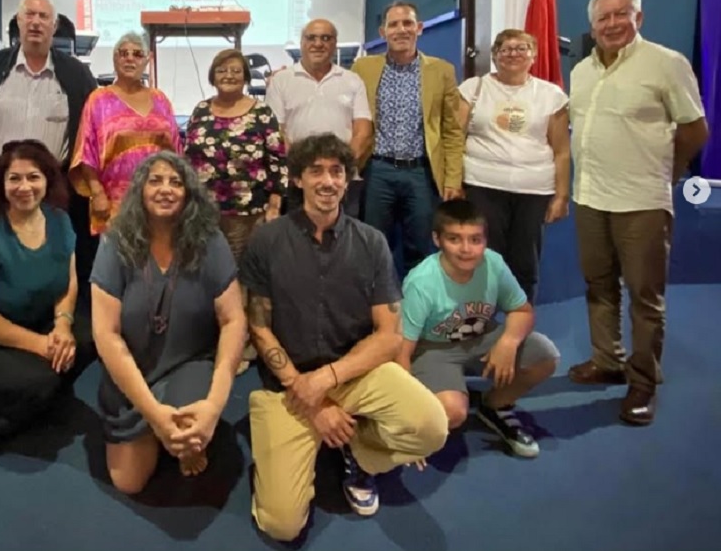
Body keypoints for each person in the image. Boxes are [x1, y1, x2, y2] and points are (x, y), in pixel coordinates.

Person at [241, 133, 448, 542]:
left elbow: (389, 336)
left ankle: (360, 452)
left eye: (336, 171)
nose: (327, 181)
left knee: (431, 428)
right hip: (287, 386)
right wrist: (308, 393)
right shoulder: (266, 240)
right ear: (297, 179)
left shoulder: (371, 243)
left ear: (347, 180)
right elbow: (258, 327)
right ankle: (308, 438)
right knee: (280, 525)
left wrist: (327, 381)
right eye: (315, 170)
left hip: (354, 371)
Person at [568, 0, 708, 425]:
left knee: (645, 297)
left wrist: (668, 172)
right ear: (593, 26)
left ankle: (643, 382)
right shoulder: (582, 72)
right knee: (598, 285)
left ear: (638, 18)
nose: (612, 24)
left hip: (642, 202)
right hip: (590, 197)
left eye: (620, 14)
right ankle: (606, 359)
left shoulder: (666, 64)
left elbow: (695, 128)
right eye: (603, 18)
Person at [90, 151, 246, 494]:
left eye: (176, 182)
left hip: (187, 364)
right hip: (132, 368)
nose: (166, 189)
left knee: (190, 434)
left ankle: (185, 432)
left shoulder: (210, 240)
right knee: (128, 482)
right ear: (139, 191)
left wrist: (214, 405)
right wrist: (155, 416)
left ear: (189, 194)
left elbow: (234, 320)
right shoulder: (115, 241)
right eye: (155, 180)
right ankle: (164, 428)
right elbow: (105, 334)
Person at [0, 140, 88, 455]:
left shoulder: (60, 221)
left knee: (92, 336)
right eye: (15, 178)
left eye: (33, 177)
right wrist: (40, 345)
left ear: (48, 180)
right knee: (42, 379)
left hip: (37, 322)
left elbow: (69, 282)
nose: (25, 187)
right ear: (1, 184)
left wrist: (63, 326)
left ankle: (38, 394)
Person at [0, 0, 97, 302]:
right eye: (28, 15)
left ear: (54, 25)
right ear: (18, 22)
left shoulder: (76, 74)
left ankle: (56, 323)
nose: (35, 22)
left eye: (43, 17)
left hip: (56, 188)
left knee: (55, 258)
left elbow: (92, 129)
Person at [398, 199, 559, 458]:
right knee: (452, 413)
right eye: (454, 239)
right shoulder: (421, 282)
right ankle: (444, 393)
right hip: (434, 348)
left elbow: (522, 311)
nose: (466, 249)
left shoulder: (493, 263)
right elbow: (402, 351)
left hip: (483, 336)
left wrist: (508, 342)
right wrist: (408, 413)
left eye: (475, 240)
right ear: (437, 240)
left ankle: (494, 405)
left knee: (545, 355)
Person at [185, 48, 287, 372]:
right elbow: (187, 159)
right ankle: (217, 336)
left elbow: (278, 160)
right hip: (206, 212)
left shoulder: (261, 113)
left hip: (249, 211)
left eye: (236, 70)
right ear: (212, 76)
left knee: (243, 277)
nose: (229, 75)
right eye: (222, 70)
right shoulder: (201, 110)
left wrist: (274, 203)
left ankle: (244, 343)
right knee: (210, 275)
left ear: (246, 76)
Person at [456, 29, 570, 302]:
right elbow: (454, 138)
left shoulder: (551, 95)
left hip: (533, 190)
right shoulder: (473, 88)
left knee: (524, 262)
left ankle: (519, 322)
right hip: (481, 185)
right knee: (481, 258)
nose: (513, 54)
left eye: (521, 48)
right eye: (505, 49)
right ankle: (479, 322)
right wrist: (454, 183)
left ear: (534, 55)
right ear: (494, 56)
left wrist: (562, 196)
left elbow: (562, 151)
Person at [353, 0, 464, 273]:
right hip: (377, 170)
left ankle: (418, 307)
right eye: (393, 24)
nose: (401, 30)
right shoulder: (362, 69)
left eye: (407, 23)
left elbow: (452, 130)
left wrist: (452, 179)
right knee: (373, 246)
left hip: (420, 173)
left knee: (423, 248)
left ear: (420, 28)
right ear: (383, 32)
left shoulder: (441, 71)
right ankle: (377, 311)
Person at [69, 32, 181, 235]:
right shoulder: (99, 100)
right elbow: (86, 152)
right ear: (114, 58)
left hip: (160, 199)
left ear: (147, 60)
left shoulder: (160, 99)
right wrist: (97, 193)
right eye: (123, 53)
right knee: (120, 262)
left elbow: (176, 153)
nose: (130, 58)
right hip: (114, 203)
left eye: (138, 54)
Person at [265, 19, 372, 217]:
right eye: (311, 38)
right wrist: (306, 170)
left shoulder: (352, 81)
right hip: (298, 182)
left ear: (335, 43)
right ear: (301, 43)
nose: (318, 43)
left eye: (326, 38)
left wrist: (338, 170)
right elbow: (277, 134)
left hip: (343, 182)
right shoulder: (281, 81)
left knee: (344, 243)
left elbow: (363, 132)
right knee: (298, 242)